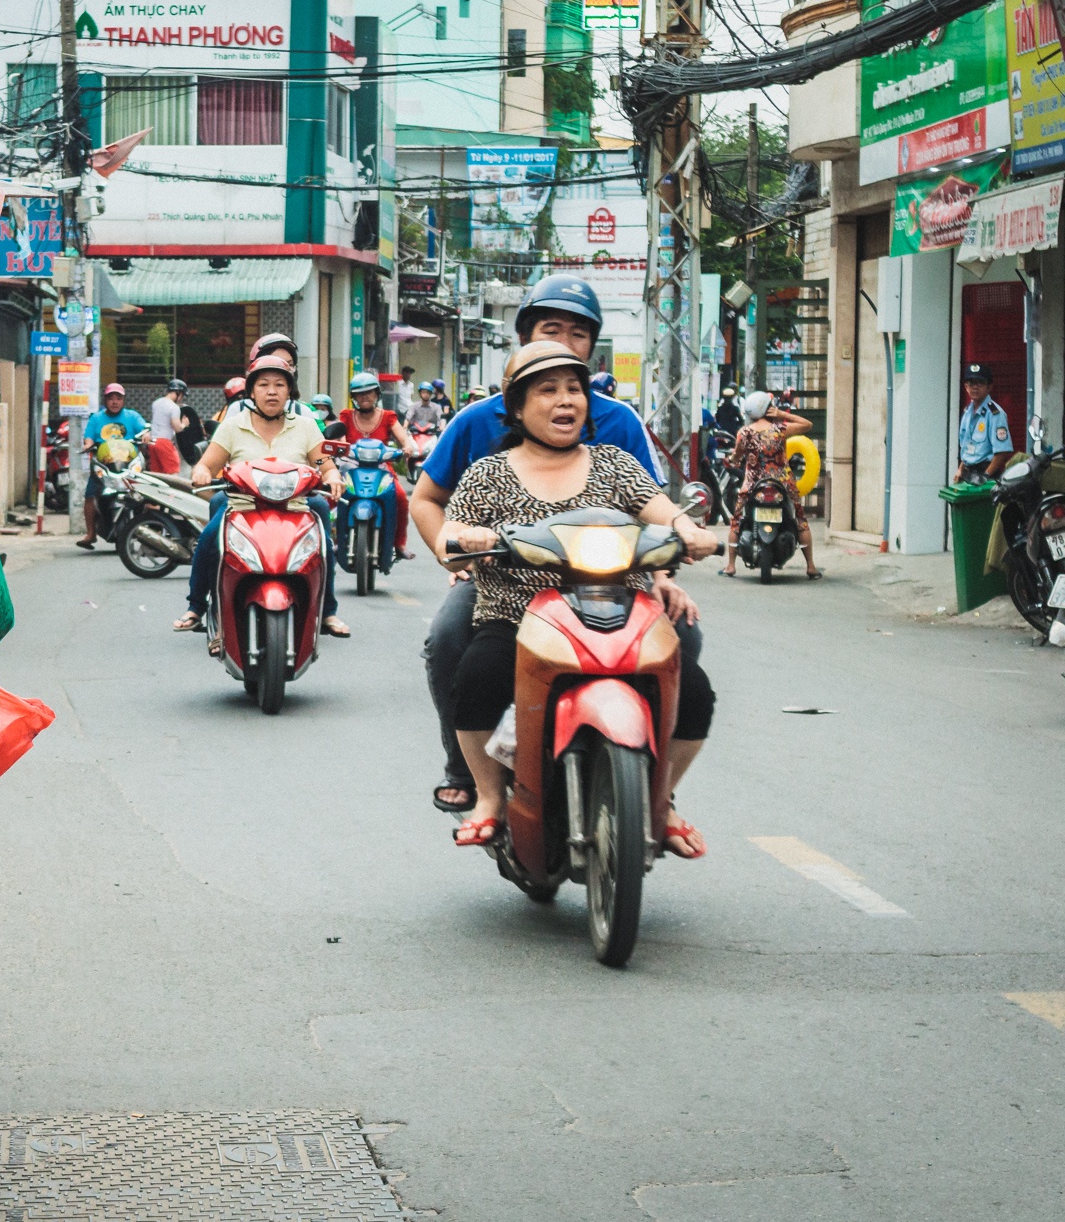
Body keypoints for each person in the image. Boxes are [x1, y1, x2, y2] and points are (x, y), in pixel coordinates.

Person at [410, 273, 706, 817]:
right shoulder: (482, 438)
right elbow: (431, 503)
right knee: (455, 643)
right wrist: (455, 551)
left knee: (686, 655)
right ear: (516, 402)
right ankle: (472, 774)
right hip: (509, 588)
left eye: (578, 339)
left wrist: (673, 559)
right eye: (551, 331)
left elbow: (653, 506)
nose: (563, 396)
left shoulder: (616, 434)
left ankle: (656, 791)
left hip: (614, 584)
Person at [173, 354, 352, 638]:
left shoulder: (306, 427)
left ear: (289, 391)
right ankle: (197, 607)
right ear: (252, 391)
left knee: (324, 545)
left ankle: (328, 611)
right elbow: (207, 463)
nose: (272, 391)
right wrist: (202, 472)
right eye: (264, 384)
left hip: (295, 508)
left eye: (280, 385)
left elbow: (325, 465)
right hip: (241, 507)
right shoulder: (233, 426)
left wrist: (331, 477)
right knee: (209, 538)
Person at [721, 391, 820, 579]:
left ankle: (731, 566)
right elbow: (808, 425)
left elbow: (737, 456)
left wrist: (732, 460)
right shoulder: (780, 429)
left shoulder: (744, 433)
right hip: (782, 482)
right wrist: (783, 414)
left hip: (752, 483)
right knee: (800, 519)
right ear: (769, 408)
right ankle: (811, 567)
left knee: (736, 521)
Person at [338, 370, 423, 562]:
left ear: (377, 394)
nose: (365, 396)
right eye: (360, 393)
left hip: (382, 468)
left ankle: (399, 543)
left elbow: (403, 438)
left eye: (369, 392)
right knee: (335, 494)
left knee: (400, 496)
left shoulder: (388, 416)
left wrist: (407, 447)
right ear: (354, 398)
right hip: (352, 469)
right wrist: (341, 449)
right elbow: (341, 439)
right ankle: (335, 539)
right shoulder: (346, 415)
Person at [78, 383, 149, 550]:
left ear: (123, 400)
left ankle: (147, 528)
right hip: (104, 465)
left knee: (146, 494)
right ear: (106, 400)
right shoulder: (96, 418)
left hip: (128, 464)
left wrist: (146, 434)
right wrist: (88, 444)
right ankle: (91, 534)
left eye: (118, 398)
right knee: (90, 495)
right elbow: (88, 437)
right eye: (111, 398)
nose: (115, 402)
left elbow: (144, 428)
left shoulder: (132, 416)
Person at [955, 362, 1013, 483]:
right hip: (968, 473)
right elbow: (966, 446)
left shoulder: (995, 413)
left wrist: (986, 476)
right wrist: (960, 469)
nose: (975, 387)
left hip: (986, 474)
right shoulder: (967, 412)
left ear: (989, 387)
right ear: (966, 387)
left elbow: (1002, 452)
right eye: (971, 383)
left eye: (980, 383)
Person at [149, 378, 188, 475]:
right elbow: (177, 428)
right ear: (177, 393)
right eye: (182, 395)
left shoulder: (156, 403)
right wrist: (184, 424)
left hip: (152, 442)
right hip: (165, 443)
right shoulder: (174, 407)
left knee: (157, 475)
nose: (181, 399)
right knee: (173, 473)